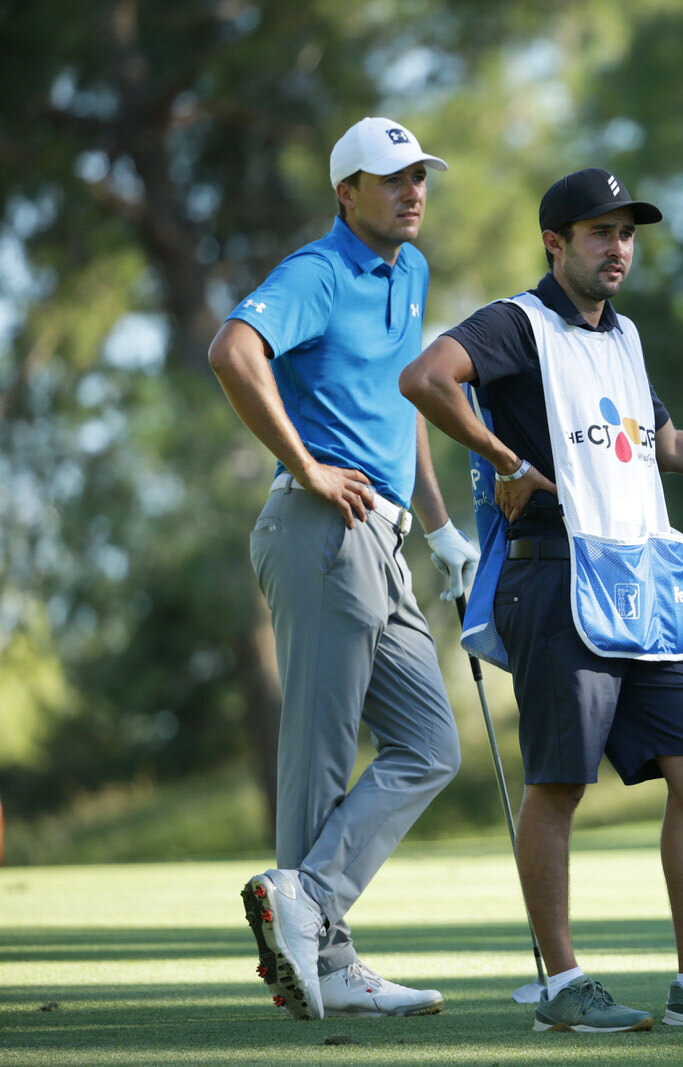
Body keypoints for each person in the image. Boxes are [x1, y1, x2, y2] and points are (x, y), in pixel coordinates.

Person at [399, 167, 683, 1033]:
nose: (618, 248)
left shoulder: (626, 339)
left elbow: (667, 442)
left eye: (628, 233)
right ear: (554, 242)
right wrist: (506, 460)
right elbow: (426, 379)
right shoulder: (514, 324)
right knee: (560, 782)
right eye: (599, 232)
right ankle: (564, 986)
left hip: (637, 586)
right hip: (556, 577)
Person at [207, 117, 481, 1021]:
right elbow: (232, 352)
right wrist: (309, 464)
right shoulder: (319, 273)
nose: (412, 191)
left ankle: (311, 909)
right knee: (319, 757)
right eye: (391, 177)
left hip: (387, 540)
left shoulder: (412, 273)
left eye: (419, 177)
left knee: (430, 745)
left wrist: (442, 528)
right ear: (345, 193)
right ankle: (322, 951)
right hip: (323, 526)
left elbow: (406, 401)